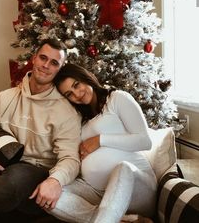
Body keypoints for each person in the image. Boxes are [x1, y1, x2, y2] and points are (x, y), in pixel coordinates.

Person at [0, 39, 81, 222]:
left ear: (59, 69)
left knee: (13, 180)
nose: (46, 65)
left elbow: (70, 159)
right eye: (43, 58)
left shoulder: (66, 112)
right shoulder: (6, 97)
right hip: (1, 160)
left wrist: (55, 181)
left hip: (33, 170)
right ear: (34, 59)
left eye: (54, 63)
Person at [48, 63, 157, 223]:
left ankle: (107, 217)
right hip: (99, 193)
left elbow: (144, 141)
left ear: (85, 77)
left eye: (76, 85)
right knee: (50, 195)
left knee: (123, 167)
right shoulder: (81, 120)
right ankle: (124, 220)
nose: (77, 94)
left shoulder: (116, 98)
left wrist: (100, 140)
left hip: (136, 186)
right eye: (69, 94)